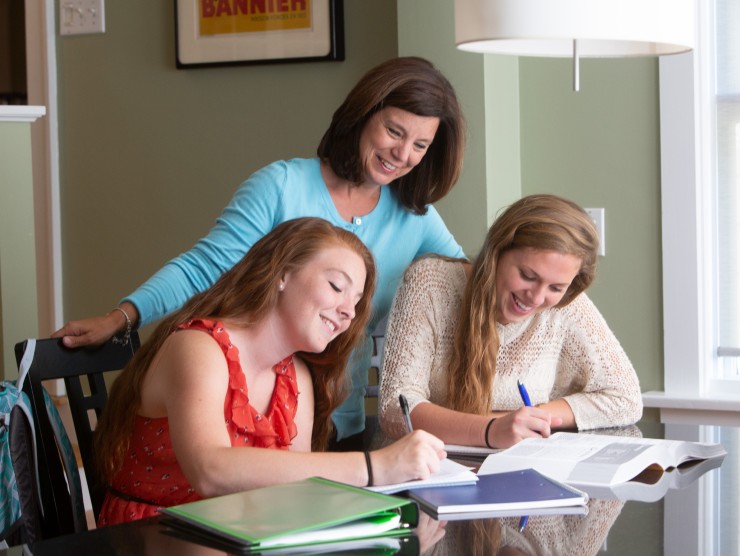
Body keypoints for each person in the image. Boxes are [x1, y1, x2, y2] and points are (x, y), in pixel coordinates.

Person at [53, 56, 467, 450]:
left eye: (420, 145)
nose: (403, 154)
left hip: (342, 428)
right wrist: (120, 317)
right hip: (255, 426)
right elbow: (203, 269)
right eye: (394, 132)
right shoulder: (280, 186)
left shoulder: (417, 219)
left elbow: (470, 285)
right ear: (363, 115)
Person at [94, 218, 445, 526]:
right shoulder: (198, 347)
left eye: (355, 303)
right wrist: (375, 467)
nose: (347, 313)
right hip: (152, 538)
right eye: (337, 287)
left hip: (240, 534)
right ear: (281, 274)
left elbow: (297, 494)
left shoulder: (297, 378)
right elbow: (209, 471)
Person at [377, 194, 643, 450]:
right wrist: (492, 430)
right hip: (436, 469)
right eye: (528, 275)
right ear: (498, 252)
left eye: (556, 287)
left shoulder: (567, 305)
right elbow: (395, 408)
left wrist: (535, 417)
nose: (537, 298)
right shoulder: (429, 283)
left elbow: (626, 398)